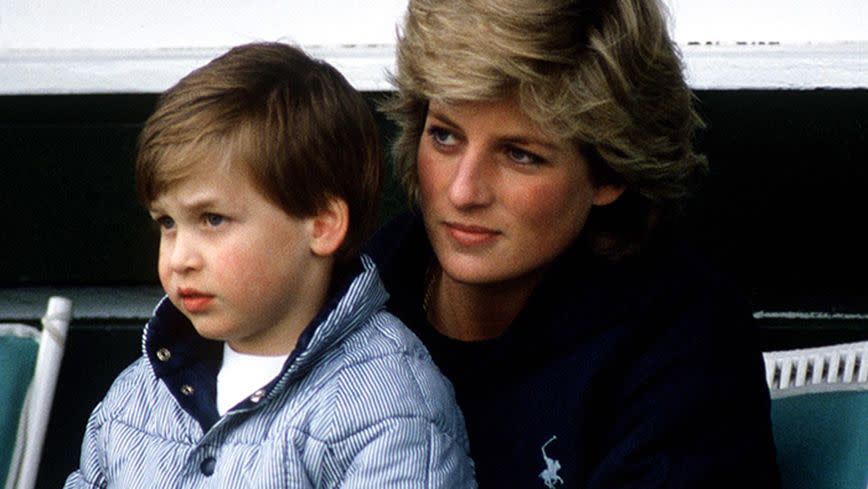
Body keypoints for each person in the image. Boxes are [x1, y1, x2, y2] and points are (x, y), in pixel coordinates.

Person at [367, 0, 781, 487]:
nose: (462, 190)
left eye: (520, 154)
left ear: (608, 172)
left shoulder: (682, 341)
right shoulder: (361, 291)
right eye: (444, 137)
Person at [64, 42, 476, 488]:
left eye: (212, 219)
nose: (180, 258)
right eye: (167, 223)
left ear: (321, 225)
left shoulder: (385, 406)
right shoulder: (139, 395)